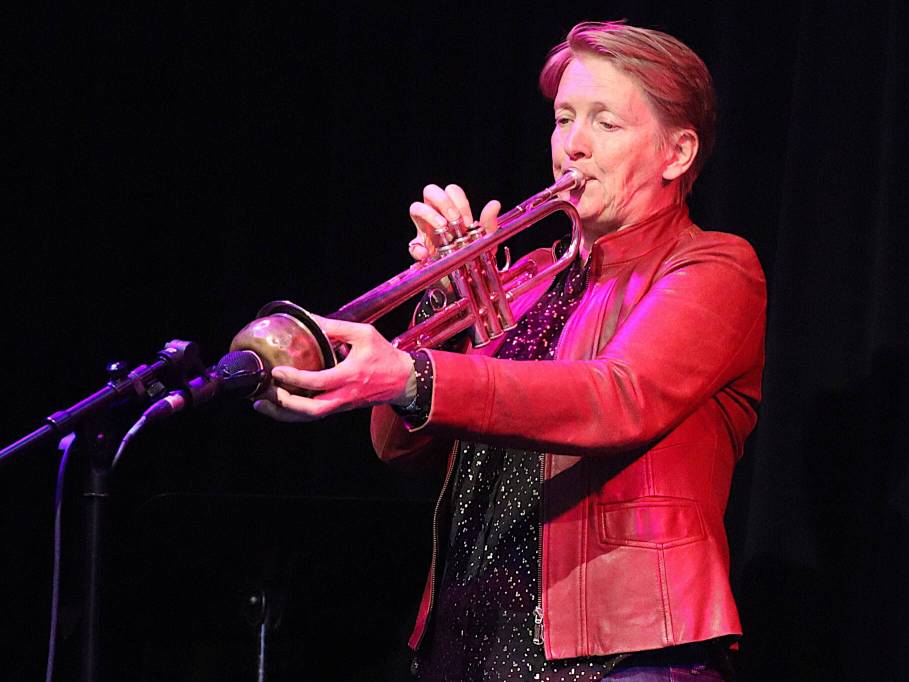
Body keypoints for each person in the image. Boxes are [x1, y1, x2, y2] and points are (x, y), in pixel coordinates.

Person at [255, 21, 766, 681]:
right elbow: (399, 447)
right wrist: (441, 299)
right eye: (563, 119)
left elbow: (616, 398)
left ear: (677, 153)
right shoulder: (524, 280)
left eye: (606, 124)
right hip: (470, 649)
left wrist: (413, 372)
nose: (572, 147)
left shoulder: (713, 267)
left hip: (625, 654)